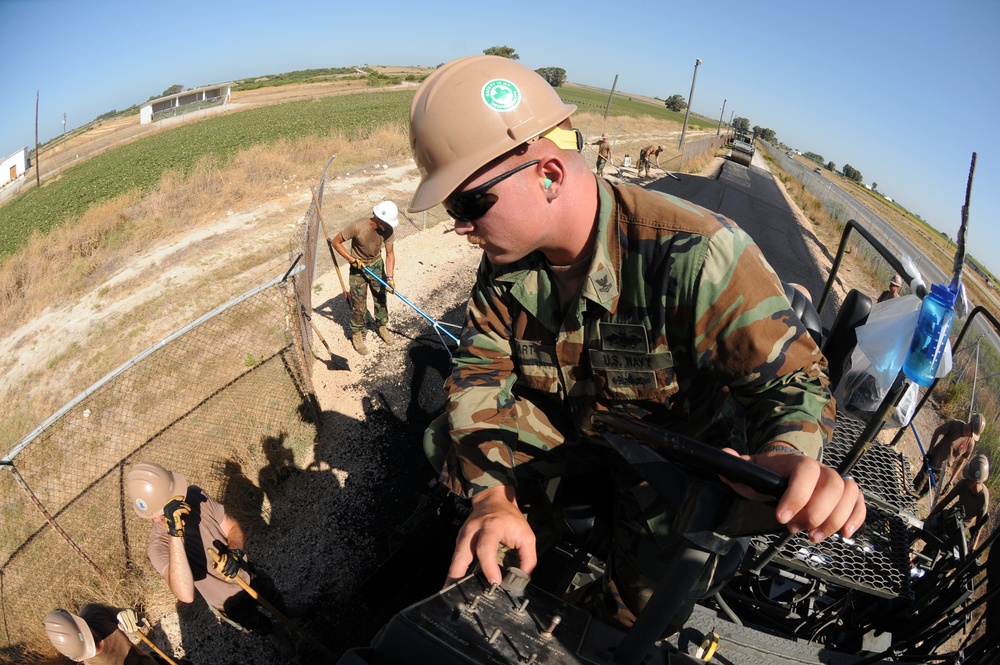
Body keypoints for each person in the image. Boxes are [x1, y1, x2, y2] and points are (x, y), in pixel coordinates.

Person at [407, 55, 865, 634]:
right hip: (579, 429)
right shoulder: (505, 268)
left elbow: (793, 384)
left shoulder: (697, 256)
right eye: (454, 208)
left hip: (673, 461)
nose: (460, 226)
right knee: (446, 439)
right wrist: (492, 500)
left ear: (549, 174)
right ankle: (528, 544)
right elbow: (479, 376)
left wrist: (791, 454)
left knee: (641, 613)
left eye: (468, 205)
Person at [125, 463, 296, 655]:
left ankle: (286, 613)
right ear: (156, 517)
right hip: (227, 601)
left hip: (248, 575)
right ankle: (273, 633)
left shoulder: (196, 497)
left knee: (271, 595)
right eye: (175, 502)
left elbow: (232, 527)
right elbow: (185, 595)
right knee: (253, 621)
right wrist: (175, 534)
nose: (183, 502)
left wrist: (235, 553)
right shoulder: (158, 547)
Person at [330, 200, 398, 355]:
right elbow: (336, 242)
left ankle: (381, 326)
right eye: (386, 222)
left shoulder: (388, 230)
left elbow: (390, 254)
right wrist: (352, 260)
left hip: (376, 264)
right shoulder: (358, 226)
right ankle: (357, 334)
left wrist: (390, 277)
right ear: (378, 218)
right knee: (358, 303)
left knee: (381, 297)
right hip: (358, 267)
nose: (388, 226)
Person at [44, 605, 160, 664]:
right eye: (88, 650)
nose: (95, 647)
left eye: (91, 639)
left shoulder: (95, 613)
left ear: (81, 624)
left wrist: (132, 617)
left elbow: (137, 619)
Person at [926, 454, 990, 552]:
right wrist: (929, 517)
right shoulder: (964, 484)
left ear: (974, 482)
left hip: (958, 531)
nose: (965, 479)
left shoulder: (983, 499)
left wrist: (972, 549)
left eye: (968, 478)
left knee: (935, 550)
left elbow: (978, 528)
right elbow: (946, 500)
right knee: (925, 530)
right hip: (948, 518)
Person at [913, 413, 984, 498]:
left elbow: (961, 462)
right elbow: (937, 432)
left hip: (941, 471)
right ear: (970, 423)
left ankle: (908, 506)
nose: (971, 436)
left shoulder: (970, 443)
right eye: (972, 433)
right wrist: (930, 452)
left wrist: (951, 481)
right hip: (932, 461)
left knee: (923, 493)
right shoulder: (955, 425)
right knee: (916, 487)